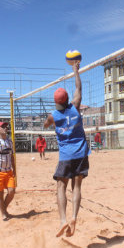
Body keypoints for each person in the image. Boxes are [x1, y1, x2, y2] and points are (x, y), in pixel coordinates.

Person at [44, 62, 90, 238]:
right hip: (81, 153)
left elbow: (46, 124)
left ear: (56, 102)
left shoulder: (53, 116)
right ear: (67, 98)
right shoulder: (76, 106)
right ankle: (74, 217)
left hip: (66, 156)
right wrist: (75, 71)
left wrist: (50, 122)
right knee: (77, 186)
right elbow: (79, 87)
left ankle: (63, 220)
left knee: (60, 186)